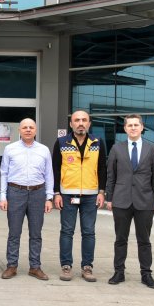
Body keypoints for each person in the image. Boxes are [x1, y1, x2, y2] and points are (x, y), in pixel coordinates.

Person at [105, 114, 154, 288]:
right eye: (129, 125)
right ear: (125, 128)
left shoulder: (153, 149)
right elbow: (111, 175)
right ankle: (119, 272)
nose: (133, 128)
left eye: (136, 125)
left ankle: (146, 274)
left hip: (145, 201)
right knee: (120, 239)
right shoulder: (116, 148)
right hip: (121, 200)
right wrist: (109, 198)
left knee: (144, 240)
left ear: (142, 127)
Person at [52, 110, 106, 282]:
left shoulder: (98, 142)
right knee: (67, 231)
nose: (80, 123)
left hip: (91, 196)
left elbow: (103, 168)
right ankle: (66, 266)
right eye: (77, 120)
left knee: (89, 232)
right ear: (71, 124)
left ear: (89, 123)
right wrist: (56, 193)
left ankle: (87, 267)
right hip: (67, 195)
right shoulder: (62, 142)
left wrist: (102, 192)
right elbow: (55, 169)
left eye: (84, 120)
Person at [0, 118, 54, 280]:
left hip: (38, 193)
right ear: (19, 130)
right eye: (25, 127)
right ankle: (11, 266)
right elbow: (3, 173)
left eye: (31, 127)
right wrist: (3, 196)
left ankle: (35, 267)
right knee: (14, 232)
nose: (28, 130)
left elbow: (49, 174)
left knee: (36, 233)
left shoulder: (44, 150)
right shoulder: (10, 149)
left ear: (35, 130)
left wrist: (49, 197)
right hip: (15, 192)